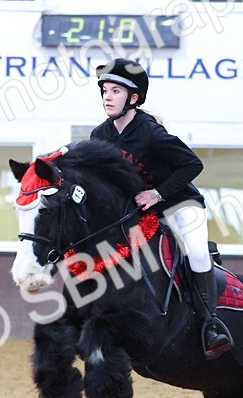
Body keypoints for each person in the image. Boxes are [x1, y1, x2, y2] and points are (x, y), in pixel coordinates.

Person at [89, 58, 234, 360]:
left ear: (133, 98)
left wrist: (157, 193)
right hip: (140, 213)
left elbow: (193, 164)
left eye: (116, 91)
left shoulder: (151, 133)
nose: (107, 96)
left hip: (179, 203)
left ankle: (211, 324)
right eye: (105, 90)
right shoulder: (99, 136)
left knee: (195, 251)